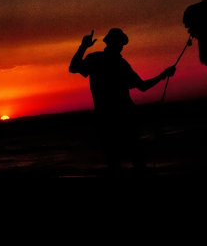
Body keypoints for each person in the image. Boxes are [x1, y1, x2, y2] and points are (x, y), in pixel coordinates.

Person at [69, 28, 176, 175]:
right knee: (135, 157)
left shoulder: (96, 59)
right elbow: (142, 87)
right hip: (124, 117)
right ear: (117, 44)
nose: (121, 47)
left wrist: (83, 47)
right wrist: (163, 75)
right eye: (120, 43)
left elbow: (73, 68)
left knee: (115, 160)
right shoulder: (119, 64)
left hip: (106, 118)